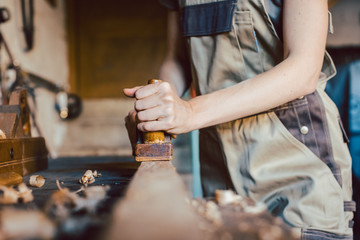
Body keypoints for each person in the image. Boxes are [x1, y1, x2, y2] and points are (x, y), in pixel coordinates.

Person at [124, 0, 355, 239]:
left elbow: (303, 70)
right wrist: (158, 109)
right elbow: (177, 60)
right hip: (221, 173)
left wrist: (190, 112)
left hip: (297, 171)